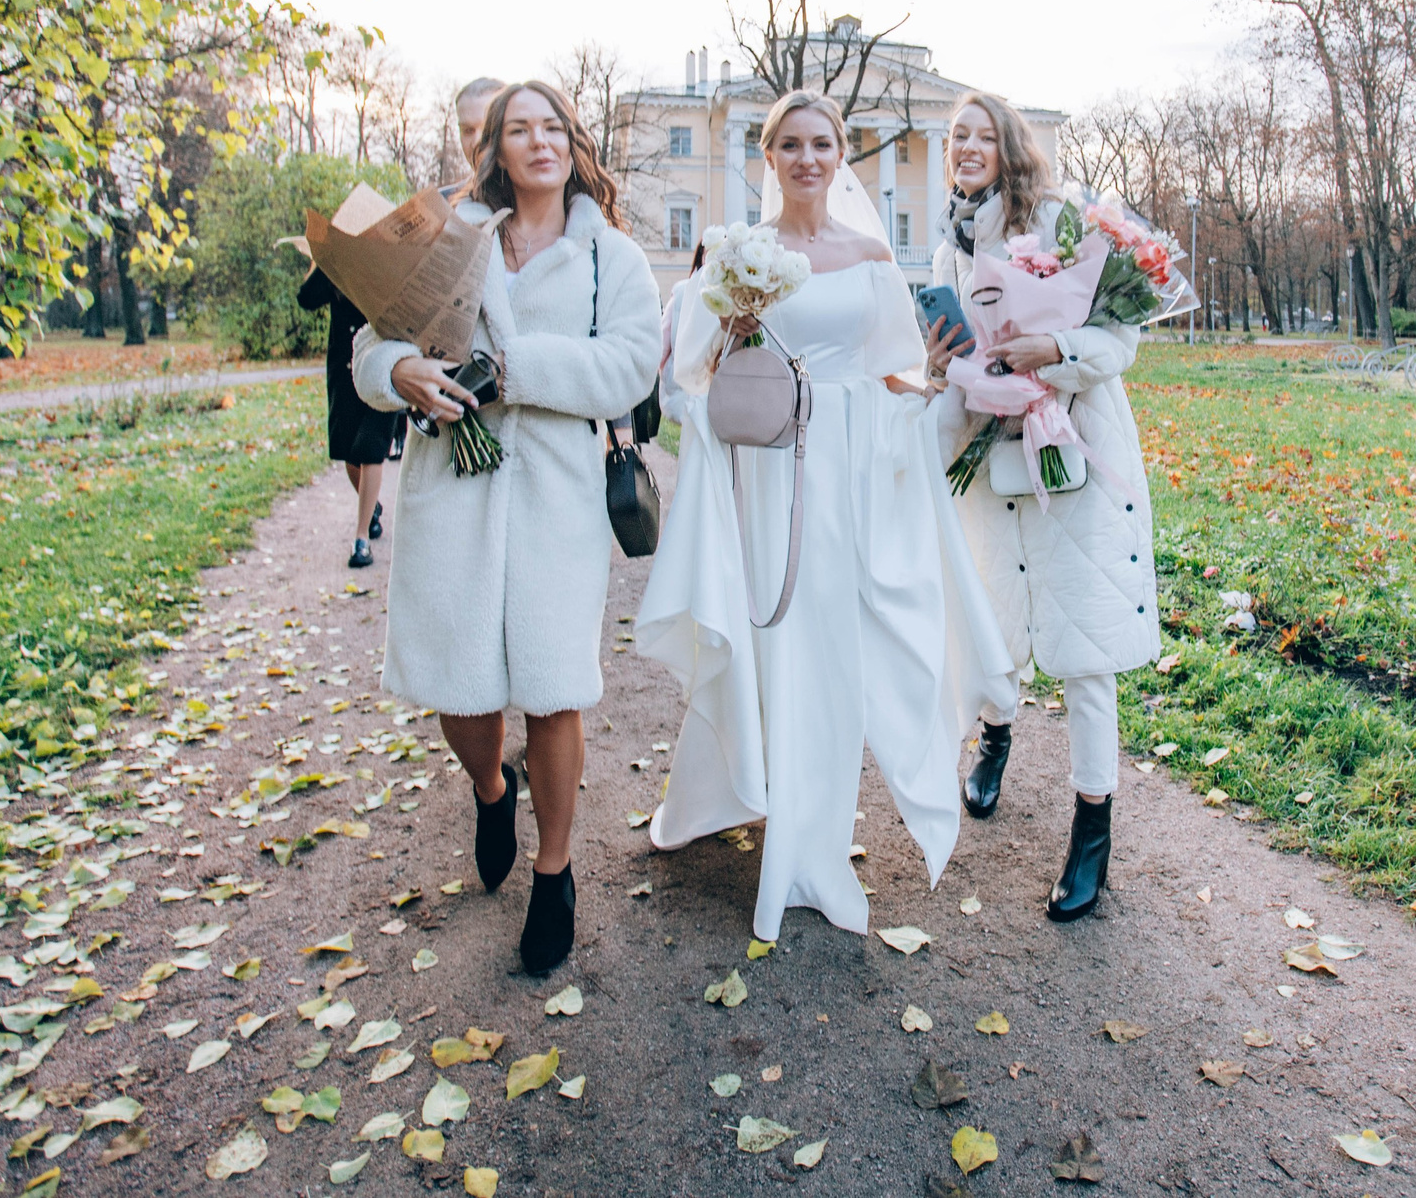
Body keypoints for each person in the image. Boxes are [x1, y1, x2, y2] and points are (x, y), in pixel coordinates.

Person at [636, 91, 1012, 943]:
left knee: (831, 652)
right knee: (777, 644)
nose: (809, 159)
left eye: (823, 144)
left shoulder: (874, 252)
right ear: (769, 157)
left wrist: (933, 374)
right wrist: (731, 330)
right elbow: (693, 374)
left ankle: (815, 846)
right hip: (769, 471)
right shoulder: (741, 254)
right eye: (792, 145)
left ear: (842, 154)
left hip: (848, 472)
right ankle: (753, 796)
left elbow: (891, 374)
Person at [353, 81, 659, 972]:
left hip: (556, 496)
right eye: (518, 129)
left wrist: (513, 369)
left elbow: (630, 365)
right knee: (464, 688)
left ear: (573, 142)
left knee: (556, 685)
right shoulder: (452, 237)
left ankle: (555, 871)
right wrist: (402, 370)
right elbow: (370, 346)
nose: (538, 141)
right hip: (456, 485)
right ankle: (491, 788)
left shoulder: (613, 258)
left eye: (552, 127)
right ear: (493, 146)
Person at [923, 91, 1161, 921]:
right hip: (993, 459)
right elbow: (955, 350)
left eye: (983, 135)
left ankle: (1091, 830)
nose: (968, 147)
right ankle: (995, 735)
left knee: (1086, 648)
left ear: (1011, 147)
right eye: (957, 136)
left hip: (1075, 453)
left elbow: (1119, 341)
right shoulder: (951, 239)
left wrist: (1051, 348)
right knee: (998, 616)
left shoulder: (1065, 224)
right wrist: (943, 359)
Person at [297, 261, 407, 567]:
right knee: (349, 451)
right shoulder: (337, 264)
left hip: (385, 367)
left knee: (370, 448)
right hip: (345, 371)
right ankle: (370, 507)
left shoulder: (391, 261)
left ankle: (361, 540)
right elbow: (306, 299)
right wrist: (324, 258)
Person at [441, 76, 508, 195]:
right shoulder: (444, 203)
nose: (477, 141)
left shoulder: (543, 200)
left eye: (488, 128)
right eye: (468, 130)